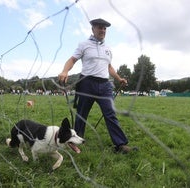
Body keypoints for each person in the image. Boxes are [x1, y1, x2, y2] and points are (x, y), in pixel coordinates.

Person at [58, 18, 137, 153]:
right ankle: (75, 141)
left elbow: (109, 66)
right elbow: (72, 59)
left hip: (105, 85)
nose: (102, 30)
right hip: (86, 84)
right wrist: (65, 71)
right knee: (81, 115)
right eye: (100, 27)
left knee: (110, 114)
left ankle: (121, 145)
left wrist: (119, 78)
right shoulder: (84, 44)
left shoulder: (108, 49)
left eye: (104, 28)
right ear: (93, 29)